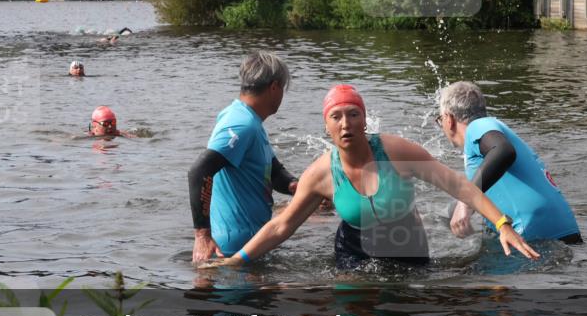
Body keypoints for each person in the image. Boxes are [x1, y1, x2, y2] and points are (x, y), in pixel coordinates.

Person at [214, 84, 538, 271]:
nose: (346, 124)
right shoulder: (321, 173)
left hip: (408, 247)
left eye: (353, 115)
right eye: (336, 117)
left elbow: (459, 186)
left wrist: (502, 224)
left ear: (364, 120)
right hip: (353, 252)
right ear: (326, 126)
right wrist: (237, 260)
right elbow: (282, 225)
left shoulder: (396, 152)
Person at [437, 81, 581, 245]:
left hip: (533, 236)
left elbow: (503, 151)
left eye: (439, 119)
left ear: (448, 119)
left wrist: (466, 200)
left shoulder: (478, 126)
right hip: (565, 232)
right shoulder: (493, 130)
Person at [188, 51, 299, 263]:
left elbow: (272, 171)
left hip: (253, 244)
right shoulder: (241, 124)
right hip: (232, 250)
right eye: (283, 89)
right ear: (274, 87)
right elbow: (199, 171)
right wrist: (202, 235)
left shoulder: (250, 121)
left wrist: (296, 186)